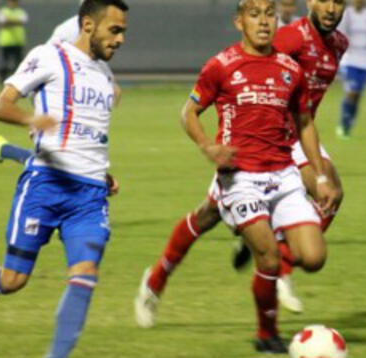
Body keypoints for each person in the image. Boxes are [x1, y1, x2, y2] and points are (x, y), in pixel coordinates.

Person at [0, 2, 128, 358]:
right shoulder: (50, 57)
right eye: (114, 30)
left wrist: (102, 173)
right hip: (45, 187)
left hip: (89, 197)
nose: (121, 39)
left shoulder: (104, 76)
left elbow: (91, 136)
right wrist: (30, 121)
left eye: (123, 31)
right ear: (87, 25)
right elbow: (0, 106)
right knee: (13, 280)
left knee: (84, 276)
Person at [134, 0, 347, 327]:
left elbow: (303, 109)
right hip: (254, 145)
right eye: (326, 1)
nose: (332, 8)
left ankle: (279, 261)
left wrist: (316, 171)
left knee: (330, 191)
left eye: (340, 2)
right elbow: (252, 62)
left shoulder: (338, 45)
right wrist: (214, 142)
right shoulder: (290, 38)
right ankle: (158, 278)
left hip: (292, 139)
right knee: (207, 215)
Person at [182, 0, 337, 351]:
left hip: (282, 174)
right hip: (240, 178)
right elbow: (189, 112)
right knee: (267, 255)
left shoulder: (289, 69)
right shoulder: (221, 65)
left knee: (314, 258)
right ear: (240, 21)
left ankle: (264, 247)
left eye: (270, 14)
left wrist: (321, 176)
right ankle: (267, 334)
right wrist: (207, 145)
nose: (264, 21)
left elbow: (305, 123)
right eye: (255, 14)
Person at [0, 0, 123, 175]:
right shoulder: (67, 30)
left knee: (62, 163)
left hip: (80, 96)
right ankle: (4, 149)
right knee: (55, 161)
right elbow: (48, 63)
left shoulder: (104, 26)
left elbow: (92, 63)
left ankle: (3, 149)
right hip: (56, 94)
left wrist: (109, 82)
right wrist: (34, 117)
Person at [336, 0, 366, 139]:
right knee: (352, 92)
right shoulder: (346, 14)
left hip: (365, 59)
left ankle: (350, 122)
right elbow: (338, 36)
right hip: (349, 59)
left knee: (357, 95)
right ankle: (343, 124)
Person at [0, 0, 29, 82]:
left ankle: (18, 78)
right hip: (6, 41)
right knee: (4, 62)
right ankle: (2, 79)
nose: (12, 3)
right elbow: (2, 22)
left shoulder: (21, 12)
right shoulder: (3, 11)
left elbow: (23, 21)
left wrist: (9, 20)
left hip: (18, 41)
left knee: (18, 63)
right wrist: (16, 21)